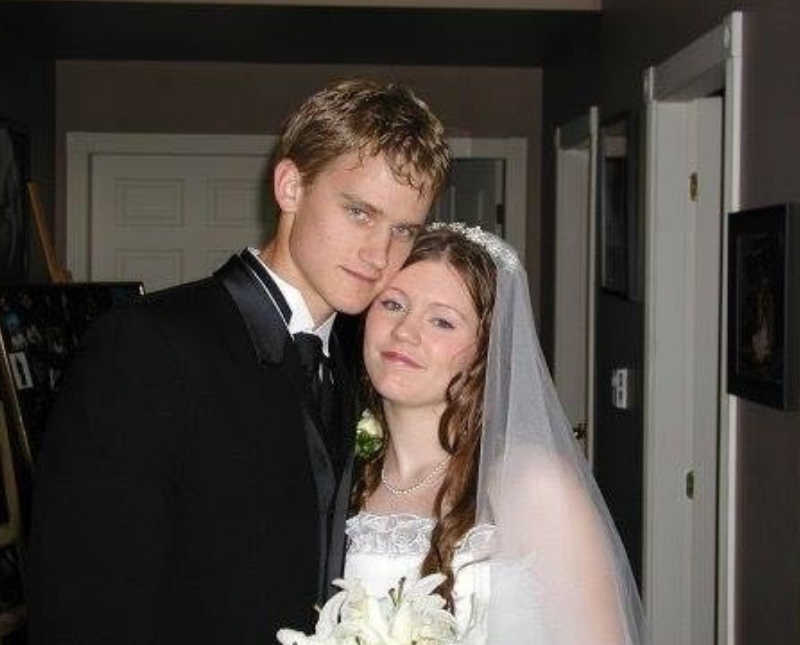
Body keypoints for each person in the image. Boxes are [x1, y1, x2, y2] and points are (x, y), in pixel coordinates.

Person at [27, 79, 450, 645]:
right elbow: (82, 602)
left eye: (403, 230)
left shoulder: (366, 362)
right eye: (358, 213)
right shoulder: (145, 345)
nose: (380, 255)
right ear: (290, 185)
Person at [342, 225, 645, 643]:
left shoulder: (533, 484)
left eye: (442, 321)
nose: (405, 331)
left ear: (485, 351)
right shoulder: (341, 474)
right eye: (393, 304)